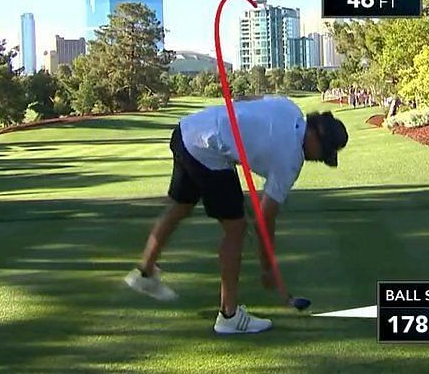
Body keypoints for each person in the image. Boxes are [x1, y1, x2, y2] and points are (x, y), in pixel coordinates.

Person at [124, 95, 349, 334]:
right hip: (209, 150)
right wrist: (267, 267)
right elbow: (264, 218)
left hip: (187, 131)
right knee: (236, 228)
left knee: (181, 205)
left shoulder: (289, 107)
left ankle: (145, 272)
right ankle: (229, 316)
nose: (319, 159)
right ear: (315, 138)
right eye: (323, 153)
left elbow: (247, 101)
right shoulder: (291, 160)